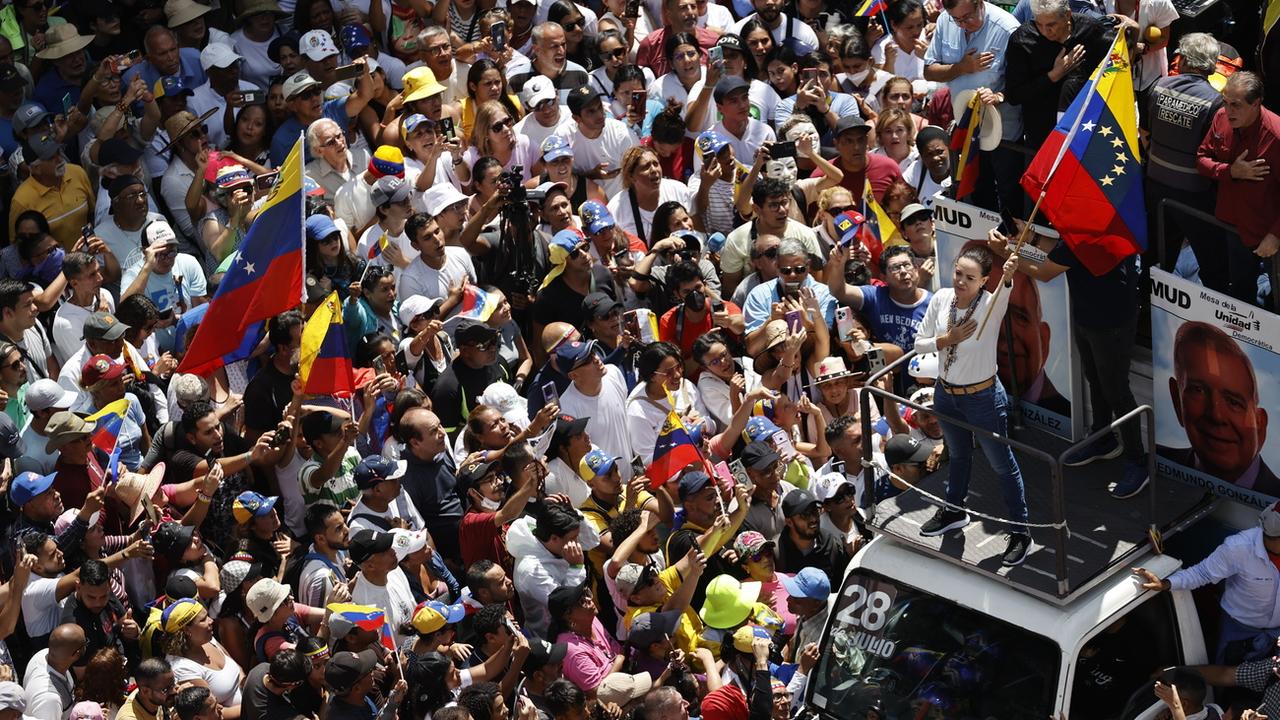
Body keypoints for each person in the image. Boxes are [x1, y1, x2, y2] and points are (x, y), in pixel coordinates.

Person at [912, 246, 1031, 566]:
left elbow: (1006, 288)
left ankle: (1021, 531)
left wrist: (1008, 275)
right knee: (958, 453)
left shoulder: (990, 306)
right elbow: (918, 342)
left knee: (1001, 463)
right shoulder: (940, 299)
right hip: (946, 392)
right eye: (958, 274)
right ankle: (953, 509)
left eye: (970, 277)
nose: (961, 281)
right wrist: (945, 340)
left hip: (982, 398)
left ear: (983, 281)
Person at [1133, 502, 1280, 665]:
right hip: (1239, 632)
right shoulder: (1238, 548)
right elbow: (1202, 573)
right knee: (1228, 672)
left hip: (1277, 635)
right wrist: (1166, 583)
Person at [1158, 321, 1276, 494]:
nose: (1216, 415)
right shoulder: (1161, 463)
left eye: (1234, 402)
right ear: (1177, 399)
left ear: (1260, 424)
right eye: (1198, 390)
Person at [1195, 72, 1280, 305]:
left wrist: (1275, 235)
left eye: (1236, 105)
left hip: (1269, 233)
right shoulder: (1221, 118)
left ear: (1256, 103)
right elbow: (1202, 159)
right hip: (1235, 228)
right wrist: (1230, 171)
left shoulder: (1276, 135)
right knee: (1242, 292)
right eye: (1225, 101)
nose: (1228, 110)